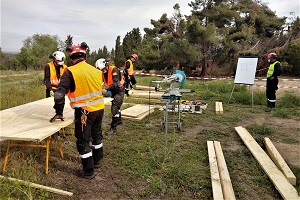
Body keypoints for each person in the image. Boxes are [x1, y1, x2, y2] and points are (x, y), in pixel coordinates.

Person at [49, 42, 105, 179]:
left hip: (84, 112)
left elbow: (58, 94)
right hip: (99, 108)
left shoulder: (70, 72)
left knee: (83, 140)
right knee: (97, 134)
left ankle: (88, 171)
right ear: (84, 55)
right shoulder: (96, 71)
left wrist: (59, 111)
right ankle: (97, 161)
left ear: (71, 56)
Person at [96, 58, 125, 135]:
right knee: (115, 105)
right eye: (101, 70)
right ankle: (119, 121)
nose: (103, 71)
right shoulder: (102, 72)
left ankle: (113, 128)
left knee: (114, 107)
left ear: (106, 65)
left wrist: (106, 89)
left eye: (103, 69)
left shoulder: (114, 70)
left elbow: (116, 84)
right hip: (113, 90)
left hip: (119, 90)